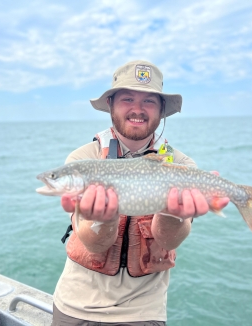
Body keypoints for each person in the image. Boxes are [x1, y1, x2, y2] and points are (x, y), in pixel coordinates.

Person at [51, 60, 229, 326]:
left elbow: (168, 242)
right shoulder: (83, 160)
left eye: (149, 101)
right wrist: (104, 218)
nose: (137, 109)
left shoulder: (182, 167)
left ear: (161, 110)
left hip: (144, 313)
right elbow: (93, 243)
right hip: (75, 306)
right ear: (110, 104)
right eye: (127, 98)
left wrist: (172, 215)